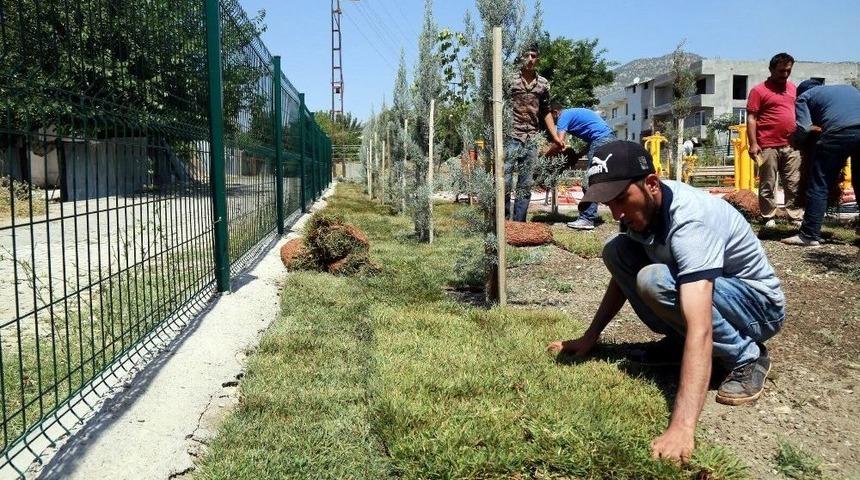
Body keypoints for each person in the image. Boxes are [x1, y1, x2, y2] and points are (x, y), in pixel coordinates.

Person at [548, 140, 785, 463]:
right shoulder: (639, 209)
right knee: (617, 250)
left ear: (651, 184)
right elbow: (621, 280)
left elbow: (701, 325)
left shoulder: (690, 221)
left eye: (620, 198)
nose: (616, 211)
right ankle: (679, 343)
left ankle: (747, 356)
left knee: (655, 280)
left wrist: (682, 427)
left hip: (758, 308)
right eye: (608, 202)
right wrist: (590, 336)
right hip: (716, 297)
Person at [781, 79, 860, 246]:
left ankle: (809, 235)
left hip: (839, 133)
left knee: (820, 183)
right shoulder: (848, 88)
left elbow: (804, 127)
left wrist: (797, 141)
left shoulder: (804, 98)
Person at [747, 52, 804, 227]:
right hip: (767, 145)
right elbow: (751, 118)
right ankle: (768, 216)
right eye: (781, 71)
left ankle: (795, 216)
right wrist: (753, 143)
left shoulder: (794, 89)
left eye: (788, 71)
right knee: (767, 184)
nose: (785, 74)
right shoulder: (759, 91)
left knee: (794, 182)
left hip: (791, 145)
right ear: (771, 69)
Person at [506, 43, 557, 222]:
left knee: (525, 184)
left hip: (531, 138)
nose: (530, 59)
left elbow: (546, 111)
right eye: (526, 55)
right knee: (504, 181)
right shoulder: (510, 80)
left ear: (537, 59)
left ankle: (519, 224)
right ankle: (503, 223)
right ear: (520, 57)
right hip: (511, 136)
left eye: (533, 56)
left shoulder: (543, 84)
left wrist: (556, 137)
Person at [546, 104, 616, 230]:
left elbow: (559, 143)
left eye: (551, 118)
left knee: (589, 181)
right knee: (602, 179)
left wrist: (545, 157)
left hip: (601, 140)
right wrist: (578, 155)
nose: (552, 122)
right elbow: (592, 141)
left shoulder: (563, 116)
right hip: (608, 138)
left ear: (555, 112)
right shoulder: (574, 113)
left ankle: (587, 219)